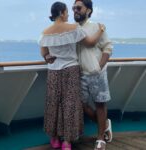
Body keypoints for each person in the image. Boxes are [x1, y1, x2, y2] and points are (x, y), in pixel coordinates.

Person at [38, 1, 105, 150]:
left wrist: (50, 57)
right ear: (61, 13)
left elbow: (45, 54)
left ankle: (54, 139)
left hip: (54, 71)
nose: (69, 14)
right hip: (70, 70)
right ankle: (67, 142)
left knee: (53, 104)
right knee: (70, 105)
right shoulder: (74, 28)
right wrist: (101, 30)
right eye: (67, 11)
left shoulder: (45, 32)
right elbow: (90, 43)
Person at [72, 0, 113, 150]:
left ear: (88, 10)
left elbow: (108, 47)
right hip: (80, 74)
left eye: (78, 8)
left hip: (96, 73)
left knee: (100, 104)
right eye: (73, 8)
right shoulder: (73, 29)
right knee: (81, 104)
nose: (75, 10)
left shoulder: (96, 26)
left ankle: (100, 138)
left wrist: (99, 66)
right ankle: (105, 124)